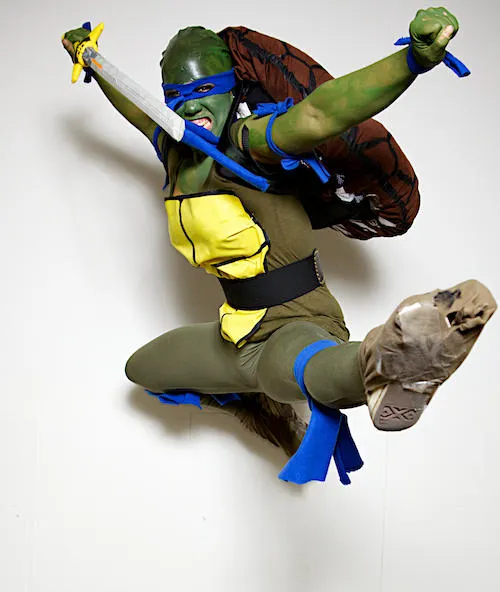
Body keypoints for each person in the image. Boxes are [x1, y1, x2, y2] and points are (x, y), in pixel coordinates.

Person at [62, 9, 496, 482]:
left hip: (296, 321)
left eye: (203, 90)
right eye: (176, 96)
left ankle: (389, 363)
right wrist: (90, 58)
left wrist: (410, 60)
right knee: (141, 368)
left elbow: (321, 112)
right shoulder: (173, 150)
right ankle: (256, 396)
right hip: (236, 334)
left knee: (301, 370)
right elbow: (135, 106)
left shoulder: (250, 144)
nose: (188, 107)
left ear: (230, 90)